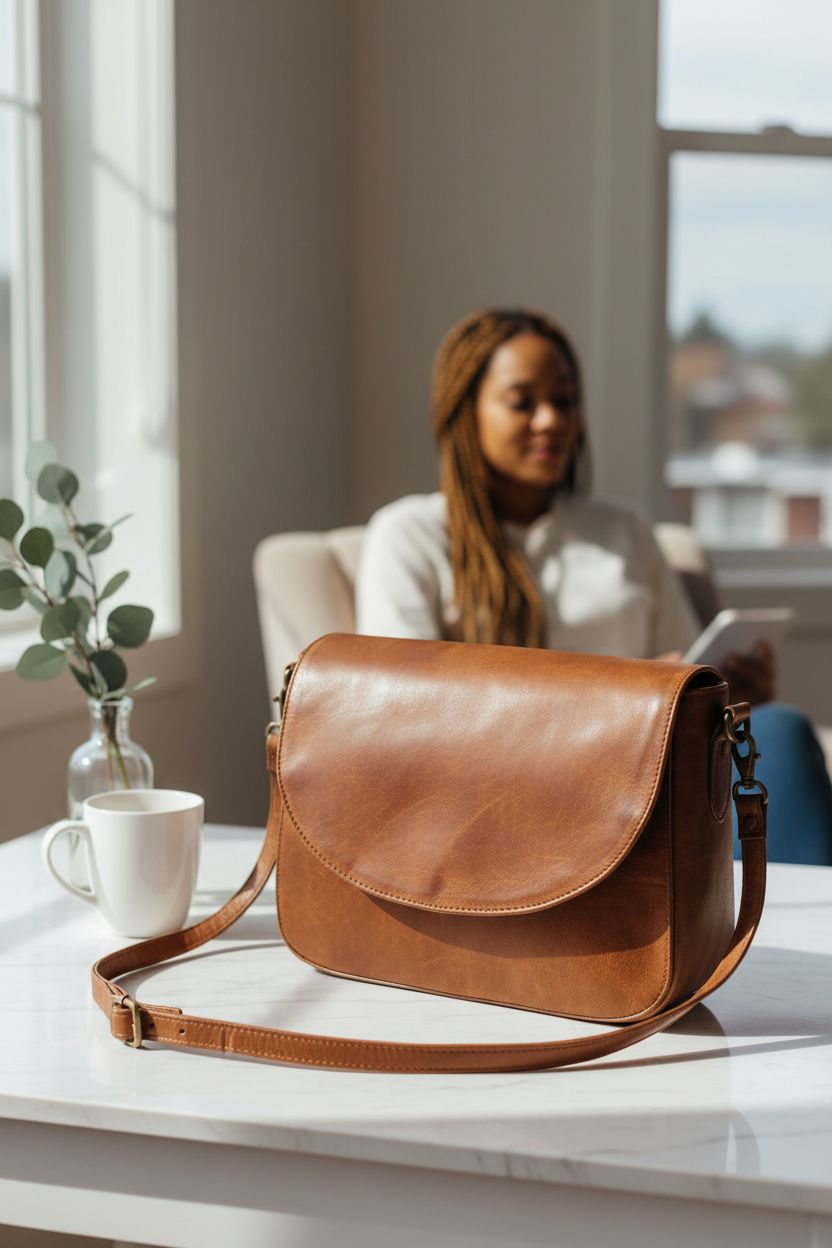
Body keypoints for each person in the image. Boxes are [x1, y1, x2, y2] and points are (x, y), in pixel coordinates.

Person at [355, 308, 832, 865]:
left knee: (778, 730)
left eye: (565, 401)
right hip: (507, 798)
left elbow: (689, 676)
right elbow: (408, 712)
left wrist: (734, 688)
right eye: (522, 402)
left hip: (654, 780)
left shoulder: (624, 531)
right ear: (465, 412)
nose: (551, 421)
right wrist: (631, 697)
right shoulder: (409, 535)